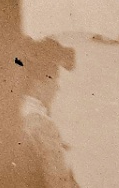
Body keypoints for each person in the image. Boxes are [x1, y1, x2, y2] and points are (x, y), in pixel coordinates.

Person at [19, 37, 81, 188]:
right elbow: (59, 184)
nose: (57, 88)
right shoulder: (42, 126)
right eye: (55, 80)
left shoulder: (9, 113)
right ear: (40, 84)